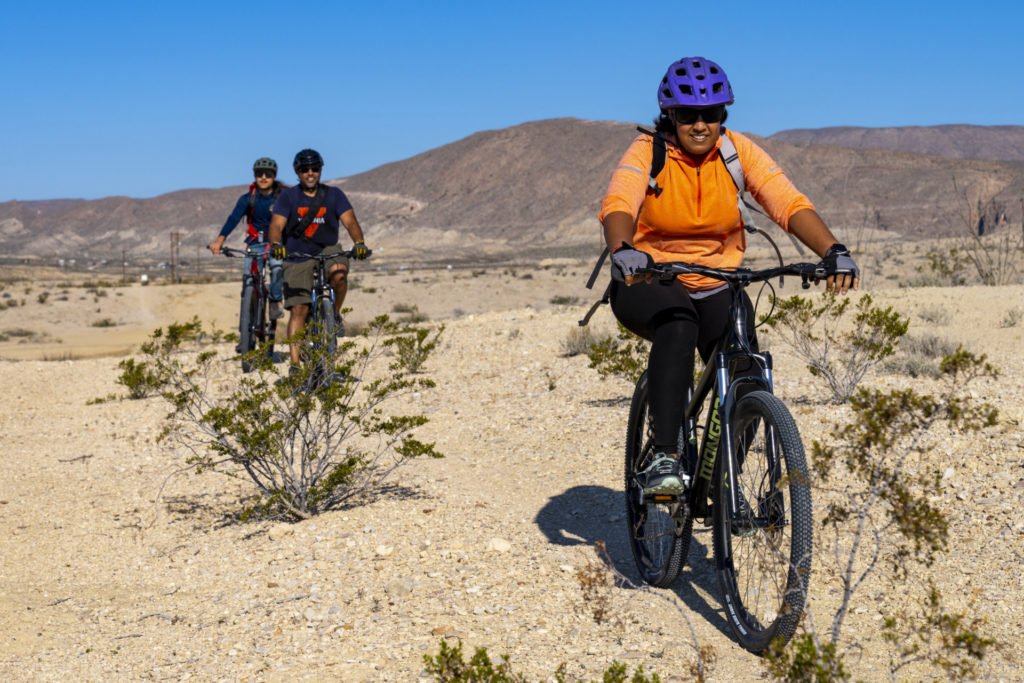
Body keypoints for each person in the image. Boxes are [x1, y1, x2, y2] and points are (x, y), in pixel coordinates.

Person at [600, 56, 859, 497]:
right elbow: (618, 202)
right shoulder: (649, 152)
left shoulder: (737, 153)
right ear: (670, 116)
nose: (700, 125)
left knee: (747, 372)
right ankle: (665, 454)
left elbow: (786, 201)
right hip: (647, 280)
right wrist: (625, 251)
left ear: (724, 116)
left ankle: (723, 486)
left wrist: (833, 250)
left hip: (718, 280)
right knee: (679, 324)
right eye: (688, 115)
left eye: (711, 114)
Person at [268, 148, 370, 367]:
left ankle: (333, 315)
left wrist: (359, 243)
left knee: (340, 275)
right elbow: (276, 225)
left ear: (321, 170)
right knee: (299, 309)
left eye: (315, 168)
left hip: (328, 248)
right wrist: (276, 244)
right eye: (305, 169)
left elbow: (350, 221)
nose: (310, 173)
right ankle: (295, 365)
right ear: (298, 172)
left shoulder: (334, 195)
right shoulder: (288, 197)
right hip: (297, 253)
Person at [208, 157, 288, 320]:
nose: (263, 177)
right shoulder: (247, 199)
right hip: (254, 243)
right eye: (259, 174)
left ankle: (275, 301)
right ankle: (248, 312)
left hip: (277, 244)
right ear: (255, 176)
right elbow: (233, 218)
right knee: (248, 276)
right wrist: (220, 240)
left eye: (268, 174)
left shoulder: (282, 197)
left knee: (277, 267)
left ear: (274, 176)